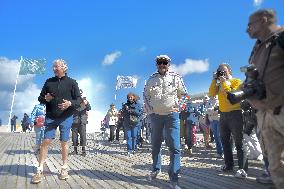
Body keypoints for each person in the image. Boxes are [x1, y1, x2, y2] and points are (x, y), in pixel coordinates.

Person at [246, 9, 284, 189]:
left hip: (281, 110)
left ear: (263, 20)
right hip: (265, 114)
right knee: (276, 166)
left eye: (250, 25)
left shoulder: (281, 38)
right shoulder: (256, 49)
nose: (247, 30)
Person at [31, 59, 81, 184]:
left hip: (66, 116)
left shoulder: (72, 82)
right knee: (46, 141)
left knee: (64, 142)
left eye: (56, 66)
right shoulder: (49, 82)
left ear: (64, 67)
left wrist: (70, 103)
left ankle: (64, 168)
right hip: (51, 116)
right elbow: (40, 98)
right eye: (53, 67)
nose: (53, 69)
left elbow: (79, 100)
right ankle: (39, 169)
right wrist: (45, 98)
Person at [144, 54, 188, 189]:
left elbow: (185, 95)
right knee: (155, 144)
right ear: (156, 64)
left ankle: (174, 178)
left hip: (171, 116)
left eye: (165, 62)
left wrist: (178, 108)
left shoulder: (176, 77)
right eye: (159, 62)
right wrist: (150, 112)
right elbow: (145, 96)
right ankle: (156, 169)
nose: (162, 65)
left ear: (169, 64)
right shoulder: (151, 79)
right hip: (156, 116)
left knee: (175, 147)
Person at [209, 63, 248, 178]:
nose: (222, 73)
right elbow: (211, 93)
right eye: (220, 71)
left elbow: (233, 97)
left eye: (224, 71)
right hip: (223, 115)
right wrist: (214, 80)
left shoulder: (236, 81)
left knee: (239, 142)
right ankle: (229, 165)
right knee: (225, 142)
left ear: (230, 71)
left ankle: (242, 169)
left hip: (236, 113)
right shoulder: (219, 83)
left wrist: (224, 82)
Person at [70, 89, 91, 156]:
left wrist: (87, 103)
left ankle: (83, 151)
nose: (79, 94)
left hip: (82, 121)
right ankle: (75, 150)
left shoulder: (85, 100)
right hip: (74, 121)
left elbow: (89, 108)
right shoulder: (73, 100)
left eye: (80, 93)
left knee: (83, 136)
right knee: (74, 137)